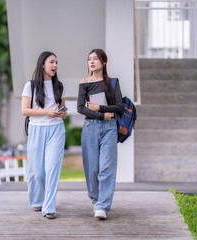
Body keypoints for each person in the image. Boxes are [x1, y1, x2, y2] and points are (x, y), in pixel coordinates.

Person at [77, 49, 123, 220]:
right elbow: (81, 108)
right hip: (90, 128)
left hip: (109, 128)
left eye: (95, 59)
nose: (92, 62)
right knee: (92, 169)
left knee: (106, 167)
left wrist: (101, 108)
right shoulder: (84, 82)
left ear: (103, 62)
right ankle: (96, 201)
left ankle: (102, 205)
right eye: (89, 59)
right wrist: (100, 115)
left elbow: (119, 107)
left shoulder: (112, 82)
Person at [21, 51, 67, 219]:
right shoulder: (31, 85)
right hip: (36, 129)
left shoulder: (59, 86)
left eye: (56, 62)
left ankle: (49, 207)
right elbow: (24, 110)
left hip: (56, 129)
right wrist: (46, 112)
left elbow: (63, 108)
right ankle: (37, 200)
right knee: (37, 172)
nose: (55, 65)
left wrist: (62, 113)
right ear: (42, 65)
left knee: (52, 169)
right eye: (51, 62)